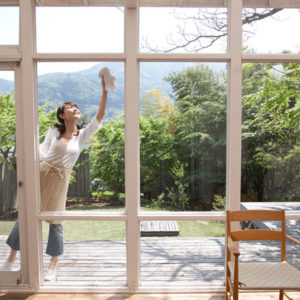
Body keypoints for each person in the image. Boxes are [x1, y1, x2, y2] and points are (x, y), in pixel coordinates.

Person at [2, 73, 109, 281]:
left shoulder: (83, 134)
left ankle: (53, 264)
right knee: (25, 214)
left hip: (60, 181)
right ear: (62, 115)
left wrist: (104, 89)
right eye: (70, 107)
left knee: (56, 221)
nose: (75, 108)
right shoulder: (54, 131)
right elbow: (42, 150)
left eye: (76, 106)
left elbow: (101, 114)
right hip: (43, 173)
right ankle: (12, 255)